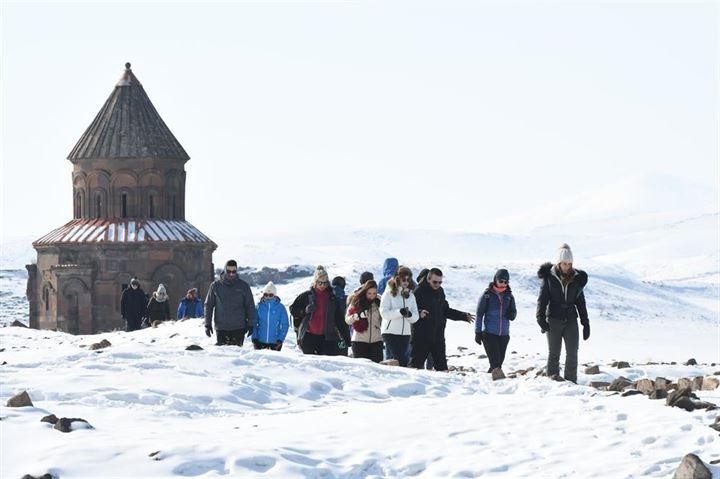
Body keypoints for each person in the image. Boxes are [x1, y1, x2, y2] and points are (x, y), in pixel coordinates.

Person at [536, 244, 590, 383]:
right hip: (553, 319)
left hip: (571, 319)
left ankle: (571, 382)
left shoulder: (577, 279)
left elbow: (581, 303)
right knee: (554, 353)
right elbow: (542, 300)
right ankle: (553, 381)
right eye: (564, 263)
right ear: (559, 263)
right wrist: (540, 318)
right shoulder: (549, 278)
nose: (567, 267)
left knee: (572, 353)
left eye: (570, 264)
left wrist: (585, 323)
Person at [411, 268, 475, 371]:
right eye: (435, 282)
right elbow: (411, 311)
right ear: (428, 279)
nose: (437, 284)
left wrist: (463, 316)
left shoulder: (440, 291)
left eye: (440, 282)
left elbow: (446, 311)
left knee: (442, 369)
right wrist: (419, 313)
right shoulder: (418, 291)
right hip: (421, 337)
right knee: (415, 368)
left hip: (438, 336)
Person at [290, 266, 351, 355]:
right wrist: (304, 311)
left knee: (322, 364)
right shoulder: (306, 296)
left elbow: (339, 319)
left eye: (325, 283)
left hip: (326, 337)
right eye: (320, 283)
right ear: (315, 282)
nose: (323, 285)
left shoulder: (332, 298)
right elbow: (293, 310)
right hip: (308, 336)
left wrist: (346, 338)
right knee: (309, 363)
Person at [205, 259, 257, 346]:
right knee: (222, 357)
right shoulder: (215, 286)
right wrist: (207, 324)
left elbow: (250, 306)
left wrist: (251, 323)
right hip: (221, 328)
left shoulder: (243, 286)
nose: (231, 274)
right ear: (225, 270)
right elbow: (208, 305)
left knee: (236, 357)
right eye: (229, 271)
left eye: (234, 271)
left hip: (239, 328)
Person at [475, 269, 517, 373]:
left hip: (504, 335)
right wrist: (477, 332)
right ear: (495, 280)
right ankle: (497, 382)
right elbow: (479, 314)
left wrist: (512, 314)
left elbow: (514, 312)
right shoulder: (487, 295)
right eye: (501, 281)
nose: (503, 284)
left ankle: (490, 382)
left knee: (498, 363)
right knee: (495, 364)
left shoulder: (509, 296)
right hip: (489, 334)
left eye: (506, 282)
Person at [379, 266, 418, 366]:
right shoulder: (388, 293)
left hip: (405, 333)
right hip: (390, 331)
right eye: (403, 279)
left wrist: (409, 315)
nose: (406, 282)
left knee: (401, 359)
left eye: (408, 279)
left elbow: (415, 317)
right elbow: (383, 312)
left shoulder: (411, 295)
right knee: (400, 358)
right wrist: (399, 312)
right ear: (397, 279)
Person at [346, 280, 384, 362]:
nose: (372, 296)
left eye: (374, 293)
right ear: (365, 291)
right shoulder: (356, 301)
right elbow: (347, 320)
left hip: (376, 340)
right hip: (359, 340)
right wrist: (355, 316)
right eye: (369, 293)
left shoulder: (379, 301)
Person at [251, 282, 289, 351]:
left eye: (270, 295)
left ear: (274, 295)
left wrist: (280, 340)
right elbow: (254, 323)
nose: (268, 297)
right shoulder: (259, 306)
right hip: (259, 342)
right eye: (266, 294)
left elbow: (285, 325)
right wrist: (254, 338)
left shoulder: (280, 307)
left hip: (275, 343)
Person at [331, 276, 350, 355]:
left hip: (326, 334)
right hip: (342, 334)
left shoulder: (326, 296)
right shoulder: (346, 299)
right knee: (342, 357)